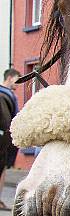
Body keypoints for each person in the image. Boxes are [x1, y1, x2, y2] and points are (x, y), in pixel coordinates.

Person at [0, 69, 19, 210]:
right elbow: (10, 122)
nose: (18, 83)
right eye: (17, 79)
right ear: (10, 78)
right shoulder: (7, 96)